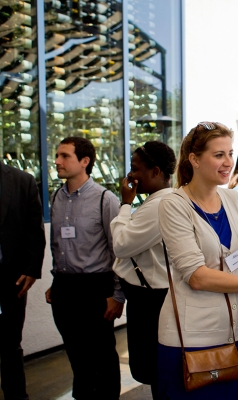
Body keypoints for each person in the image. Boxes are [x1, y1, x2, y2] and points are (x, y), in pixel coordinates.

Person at [157, 121, 238, 399]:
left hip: (237, 332)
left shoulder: (233, 200)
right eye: (219, 155)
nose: (228, 162)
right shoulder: (173, 205)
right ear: (194, 159)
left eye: (230, 153)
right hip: (192, 339)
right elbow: (197, 275)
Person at [45, 136, 123, 400]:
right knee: (77, 356)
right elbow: (59, 245)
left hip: (96, 289)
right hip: (65, 289)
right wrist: (56, 282)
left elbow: (119, 251)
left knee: (102, 356)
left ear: (84, 161)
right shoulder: (56, 197)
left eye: (64, 156)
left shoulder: (105, 199)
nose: (57, 161)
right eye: (58, 155)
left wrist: (117, 295)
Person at [111, 141, 176, 399]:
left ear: (155, 172)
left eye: (135, 169)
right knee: (157, 370)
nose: (130, 176)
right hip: (149, 298)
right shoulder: (157, 201)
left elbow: (121, 245)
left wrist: (125, 204)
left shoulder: (160, 205)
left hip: (152, 302)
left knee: (158, 371)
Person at [0, 162, 45, 400]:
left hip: (11, 280)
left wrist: (31, 269)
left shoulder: (21, 181)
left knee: (10, 345)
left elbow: (34, 230)